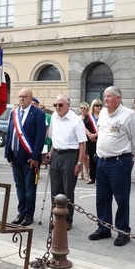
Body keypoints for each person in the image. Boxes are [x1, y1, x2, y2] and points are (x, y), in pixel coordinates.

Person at [88, 86, 135, 246]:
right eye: (104, 96)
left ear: (118, 98)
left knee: (121, 198)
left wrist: (129, 155)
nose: (105, 99)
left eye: (109, 96)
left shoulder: (128, 114)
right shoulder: (103, 113)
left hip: (119, 162)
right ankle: (104, 228)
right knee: (102, 198)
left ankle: (123, 231)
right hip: (102, 161)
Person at [5, 88, 46, 226]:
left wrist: (35, 156)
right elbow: (10, 134)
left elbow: (40, 137)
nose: (21, 99)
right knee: (19, 186)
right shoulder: (14, 113)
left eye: (24, 97)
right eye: (20, 96)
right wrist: (8, 155)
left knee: (30, 187)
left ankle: (29, 214)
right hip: (15, 156)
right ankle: (21, 212)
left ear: (31, 98)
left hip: (30, 158)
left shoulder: (38, 114)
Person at [46, 94, 86, 230]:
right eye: (55, 105)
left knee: (68, 190)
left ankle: (67, 219)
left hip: (70, 155)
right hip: (56, 154)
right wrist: (50, 153)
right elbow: (53, 139)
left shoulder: (76, 120)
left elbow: (82, 144)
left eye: (60, 105)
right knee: (55, 189)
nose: (57, 107)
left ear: (68, 105)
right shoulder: (54, 118)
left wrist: (79, 163)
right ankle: (56, 217)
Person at [84, 99, 102, 184]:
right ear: (93, 106)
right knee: (91, 159)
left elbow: (104, 128)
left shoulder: (103, 116)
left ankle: (99, 178)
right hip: (90, 140)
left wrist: (95, 135)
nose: (99, 107)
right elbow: (83, 126)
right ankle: (92, 177)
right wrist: (89, 135)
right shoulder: (88, 116)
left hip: (100, 140)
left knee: (99, 159)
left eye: (100, 105)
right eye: (97, 105)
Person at [78, 102, 90, 181]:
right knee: (80, 156)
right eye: (81, 108)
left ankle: (87, 172)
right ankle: (80, 172)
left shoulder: (89, 118)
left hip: (87, 138)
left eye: (84, 108)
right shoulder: (77, 118)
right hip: (79, 138)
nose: (82, 109)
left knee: (86, 157)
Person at [39, 103, 51, 169]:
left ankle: (47, 163)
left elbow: (48, 127)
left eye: (41, 108)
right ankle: (42, 162)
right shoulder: (38, 115)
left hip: (47, 135)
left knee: (46, 149)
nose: (40, 109)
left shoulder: (47, 116)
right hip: (41, 135)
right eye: (39, 108)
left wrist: (45, 136)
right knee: (41, 150)